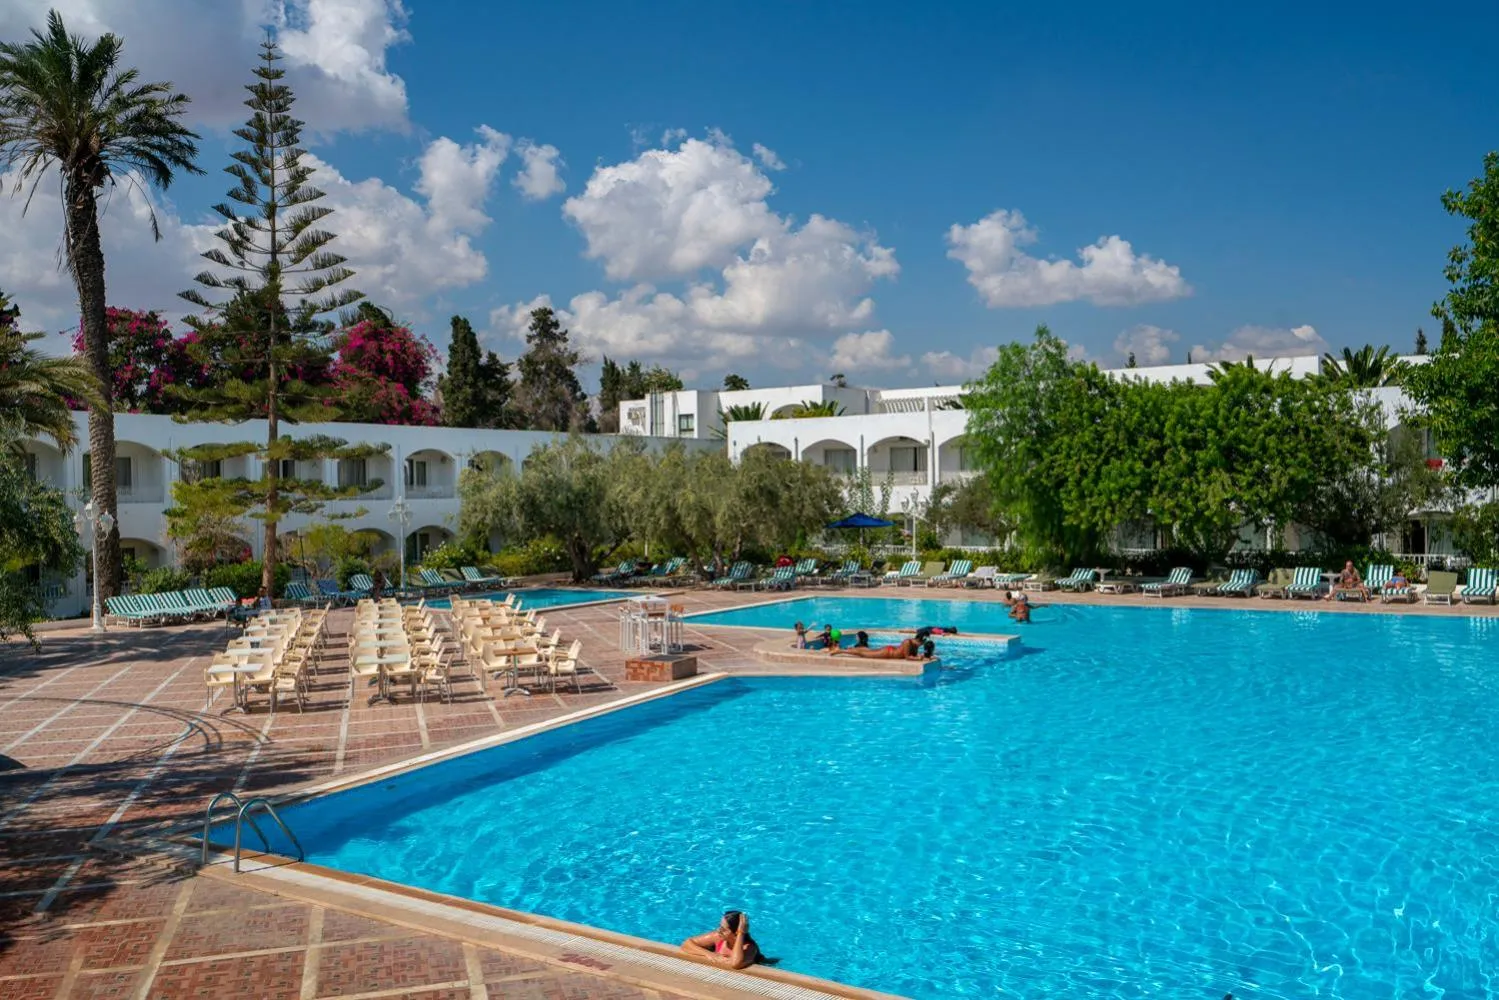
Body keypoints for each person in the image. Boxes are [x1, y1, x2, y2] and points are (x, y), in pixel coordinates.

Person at [681, 910, 761, 969]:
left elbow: (735, 964)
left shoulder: (749, 948)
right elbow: (686, 943)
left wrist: (741, 933)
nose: (719, 930)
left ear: (736, 932)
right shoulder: (718, 937)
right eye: (720, 926)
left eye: (723, 929)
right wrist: (709, 954)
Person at [832, 636, 934, 660]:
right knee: (863, 654)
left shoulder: (914, 644)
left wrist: (925, 657)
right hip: (887, 653)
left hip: (889, 651)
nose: (922, 645)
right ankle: (840, 650)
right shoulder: (908, 642)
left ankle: (843, 649)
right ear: (920, 640)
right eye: (923, 643)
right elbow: (907, 657)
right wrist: (917, 658)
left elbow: (913, 655)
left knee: (866, 651)